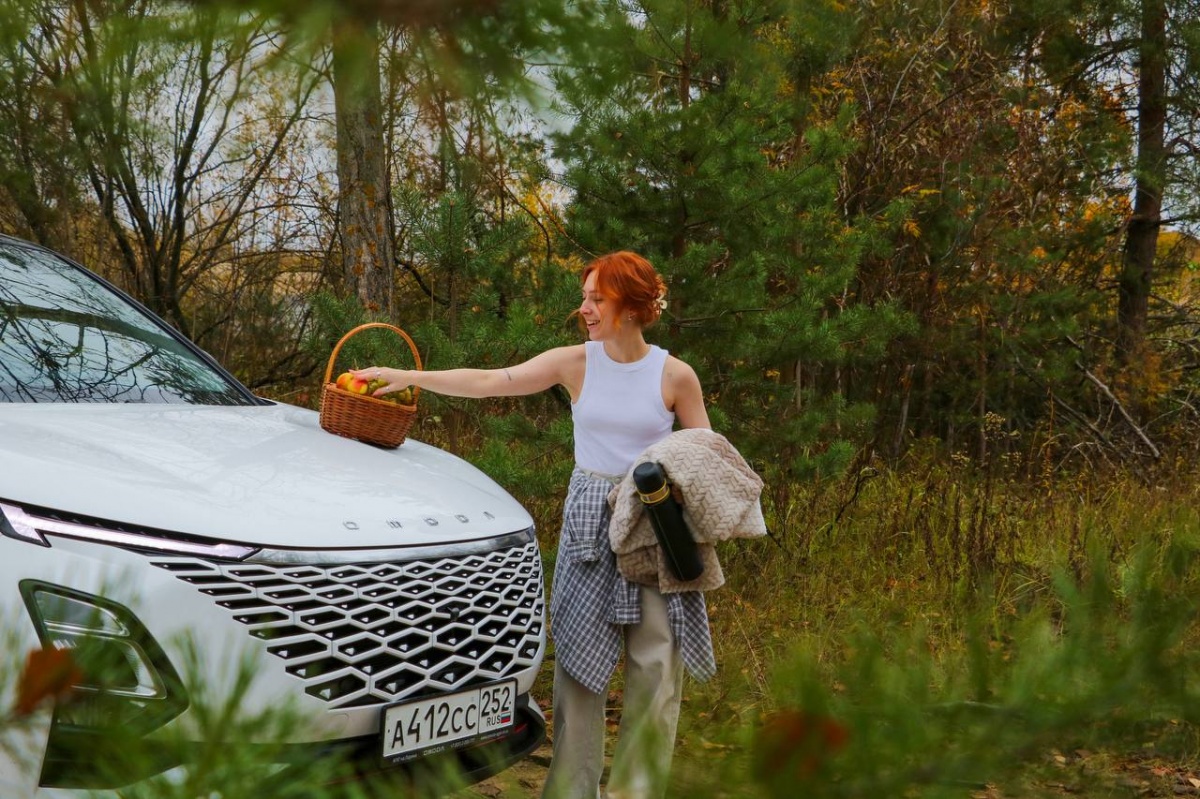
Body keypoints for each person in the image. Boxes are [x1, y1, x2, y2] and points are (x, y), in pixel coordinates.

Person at [352, 251, 716, 799]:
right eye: (586, 296)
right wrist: (406, 376)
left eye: (597, 298)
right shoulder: (575, 363)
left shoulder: (675, 375)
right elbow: (491, 381)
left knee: (655, 673)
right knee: (577, 673)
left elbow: (703, 459)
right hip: (589, 529)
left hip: (653, 531)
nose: (585, 308)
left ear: (633, 305)